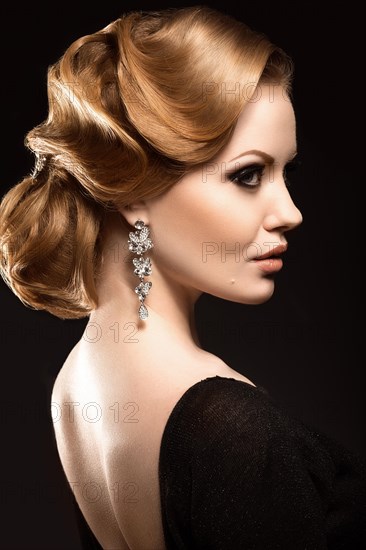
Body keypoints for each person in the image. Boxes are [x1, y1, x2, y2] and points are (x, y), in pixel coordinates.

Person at [0, 6, 365, 549]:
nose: (290, 211)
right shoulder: (235, 432)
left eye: (286, 173)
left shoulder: (74, 384)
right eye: (248, 174)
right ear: (133, 190)